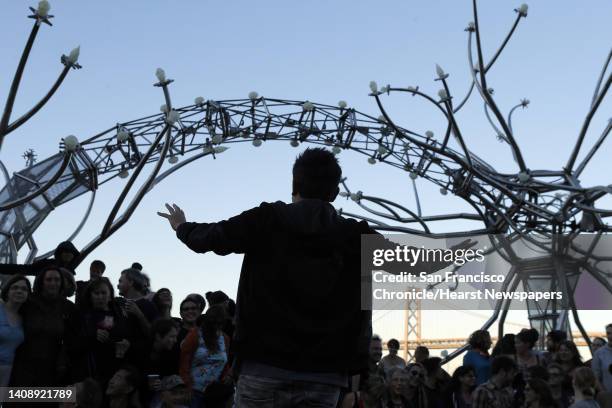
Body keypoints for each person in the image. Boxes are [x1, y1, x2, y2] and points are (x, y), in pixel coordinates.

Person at [158, 148, 472, 407]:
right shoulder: (354, 235)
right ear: (335, 191)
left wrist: (182, 226)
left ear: (294, 185)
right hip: (324, 375)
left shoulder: (266, 220)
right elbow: (411, 263)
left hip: (262, 368)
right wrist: (457, 254)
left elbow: (210, 238)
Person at [10, 267, 82, 387]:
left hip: (52, 370)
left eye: (57, 280)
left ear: (61, 283)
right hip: (22, 367)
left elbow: (74, 338)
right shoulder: (28, 302)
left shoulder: (69, 308)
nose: (53, 283)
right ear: (41, 282)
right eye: (49, 279)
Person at [80, 277, 143, 387]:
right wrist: (92, 335)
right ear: (90, 295)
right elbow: (75, 341)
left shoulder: (119, 314)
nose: (100, 297)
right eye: (96, 293)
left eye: (104, 293)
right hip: (92, 372)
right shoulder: (83, 315)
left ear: (110, 295)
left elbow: (130, 335)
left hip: (118, 370)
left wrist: (127, 343)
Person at [179, 305, 230, 408]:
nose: (217, 326)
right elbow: (184, 362)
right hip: (194, 390)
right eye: (215, 322)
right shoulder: (195, 334)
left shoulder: (225, 338)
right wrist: (186, 385)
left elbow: (225, 362)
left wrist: (227, 377)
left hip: (215, 393)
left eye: (220, 323)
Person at [0, 275, 30, 386]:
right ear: (7, 291)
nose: (19, 291)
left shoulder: (23, 318)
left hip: (7, 373)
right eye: (15, 288)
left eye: (24, 289)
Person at [592, 324, 612, 392]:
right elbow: (596, 378)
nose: (610, 336)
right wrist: (605, 395)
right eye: (608, 333)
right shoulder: (599, 353)